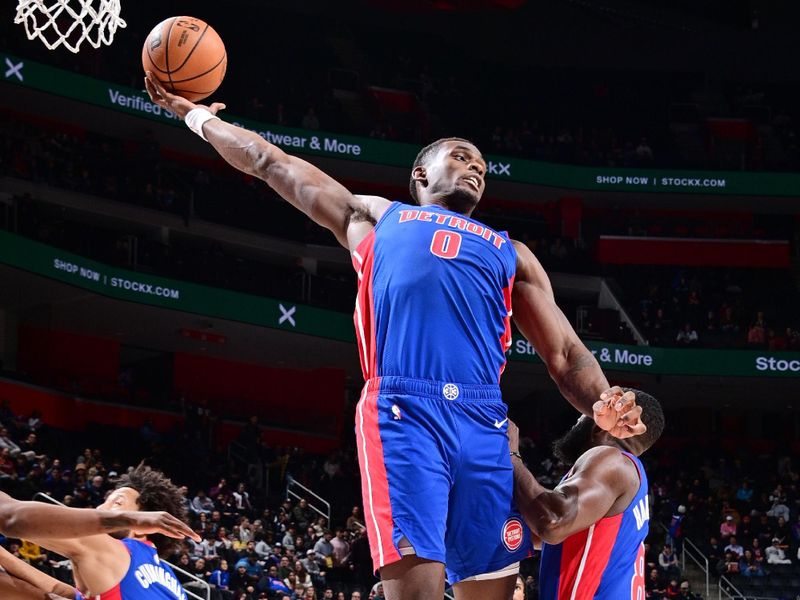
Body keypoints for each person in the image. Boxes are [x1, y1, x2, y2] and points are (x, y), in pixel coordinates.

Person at [144, 74, 646, 600]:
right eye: (460, 156)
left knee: (491, 590)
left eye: (481, 165)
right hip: (404, 412)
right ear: (421, 173)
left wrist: (603, 402)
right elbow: (273, 164)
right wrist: (197, 117)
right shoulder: (377, 219)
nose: (474, 167)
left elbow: (565, 355)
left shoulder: (510, 252)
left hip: (484, 421)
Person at [508, 389, 665, 599]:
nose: (578, 418)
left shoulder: (611, 459)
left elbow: (552, 522)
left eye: (585, 412)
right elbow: (541, 534)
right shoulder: (626, 475)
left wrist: (510, 455)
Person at [0, 465, 200, 598]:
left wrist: (127, 519)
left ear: (142, 527)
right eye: (105, 500)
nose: (100, 509)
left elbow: (9, 517)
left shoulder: (121, 553)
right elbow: (55, 591)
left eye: (117, 503)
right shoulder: (168, 582)